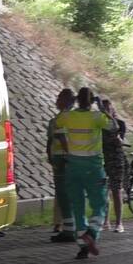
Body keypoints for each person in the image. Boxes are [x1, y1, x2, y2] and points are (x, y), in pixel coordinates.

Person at [54, 87, 117, 259]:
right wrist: (103, 110)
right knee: (100, 205)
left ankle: (82, 247)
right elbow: (114, 126)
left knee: (77, 207)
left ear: (77, 100)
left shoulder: (68, 116)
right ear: (92, 101)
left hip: (72, 168)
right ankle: (92, 232)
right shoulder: (97, 117)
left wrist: (70, 106)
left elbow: (57, 121)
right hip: (93, 168)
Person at [46, 88, 76, 242]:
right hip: (63, 158)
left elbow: (62, 137)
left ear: (66, 100)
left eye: (59, 97)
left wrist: (67, 156)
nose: (57, 99)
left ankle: (69, 231)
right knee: (65, 195)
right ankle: (70, 228)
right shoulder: (70, 116)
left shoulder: (63, 117)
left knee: (64, 195)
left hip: (62, 159)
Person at [101, 98, 127, 233]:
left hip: (116, 159)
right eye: (103, 108)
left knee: (116, 191)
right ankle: (105, 221)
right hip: (102, 159)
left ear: (112, 109)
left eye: (107, 108)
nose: (105, 111)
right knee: (103, 192)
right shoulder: (99, 124)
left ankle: (119, 223)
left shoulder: (120, 124)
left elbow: (120, 141)